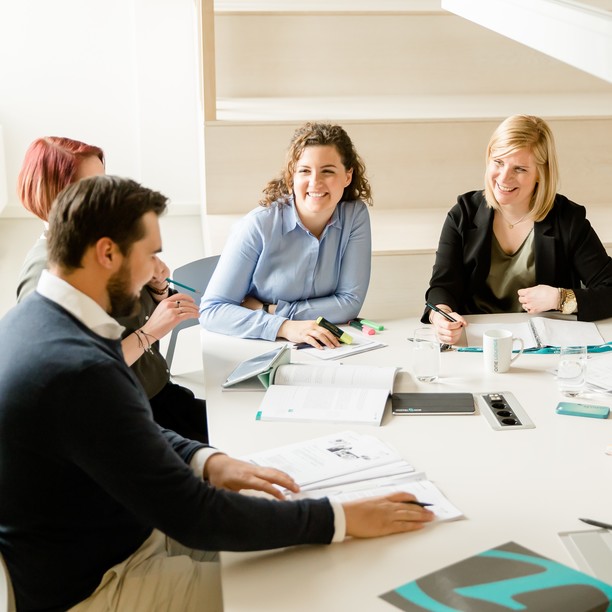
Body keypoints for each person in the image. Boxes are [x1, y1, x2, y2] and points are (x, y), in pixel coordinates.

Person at [0, 175, 433, 611]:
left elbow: (121, 428)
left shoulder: (37, 321)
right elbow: (195, 517)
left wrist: (206, 459)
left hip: (114, 538)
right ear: (107, 253)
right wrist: (341, 517)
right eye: (150, 254)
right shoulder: (78, 369)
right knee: (316, 584)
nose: (156, 270)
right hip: (103, 585)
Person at [16, 136, 208, 442]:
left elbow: (136, 320)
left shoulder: (103, 243)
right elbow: (73, 378)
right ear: (57, 196)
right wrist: (150, 333)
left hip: (158, 395)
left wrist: (158, 289)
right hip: (121, 416)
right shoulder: (43, 276)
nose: (108, 198)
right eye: (92, 188)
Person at [423, 114, 612, 345]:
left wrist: (561, 298)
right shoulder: (463, 213)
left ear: (540, 174)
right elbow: (443, 285)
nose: (504, 178)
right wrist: (441, 315)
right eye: (498, 162)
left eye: (520, 169)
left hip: (544, 350)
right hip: (476, 342)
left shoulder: (567, 219)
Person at [199, 122, 373, 349]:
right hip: (259, 346)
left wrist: (269, 310)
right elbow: (212, 310)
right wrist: (284, 327)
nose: (315, 182)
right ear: (292, 176)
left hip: (320, 347)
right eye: (304, 170)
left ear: (347, 176)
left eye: (328, 171)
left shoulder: (355, 216)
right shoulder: (258, 225)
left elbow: (350, 303)